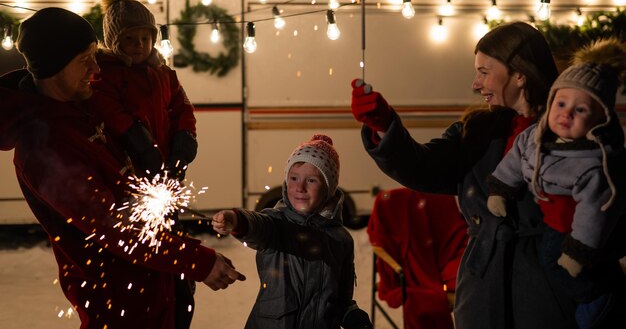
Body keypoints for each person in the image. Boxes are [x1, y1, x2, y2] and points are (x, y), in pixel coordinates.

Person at [350, 21, 612, 329]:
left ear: (519, 73)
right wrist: (384, 124)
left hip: (554, 292)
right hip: (484, 288)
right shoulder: (476, 131)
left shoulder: (580, 132)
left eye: (484, 72)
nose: (476, 84)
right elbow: (423, 167)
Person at [0, 7, 245, 329]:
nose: (96, 67)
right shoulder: (44, 148)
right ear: (54, 67)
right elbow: (112, 227)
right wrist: (195, 260)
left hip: (153, 283)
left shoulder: (80, 107)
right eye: (84, 59)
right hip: (119, 305)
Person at [486, 38, 626, 329]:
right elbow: (515, 161)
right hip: (550, 222)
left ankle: (601, 298)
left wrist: (579, 250)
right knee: (550, 263)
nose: (566, 113)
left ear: (600, 120)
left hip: (577, 230)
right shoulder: (535, 136)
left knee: (565, 267)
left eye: (581, 110)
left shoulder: (594, 162)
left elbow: (594, 212)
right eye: (561, 104)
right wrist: (501, 190)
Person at [212, 134, 373, 329]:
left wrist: (352, 315)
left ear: (329, 188)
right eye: (294, 178)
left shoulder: (341, 240)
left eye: (312, 180)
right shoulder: (277, 224)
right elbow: (257, 225)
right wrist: (237, 219)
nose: (300, 187)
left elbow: (340, 300)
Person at [89, 0, 197, 181]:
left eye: (145, 38)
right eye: (130, 38)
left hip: (165, 162)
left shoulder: (164, 74)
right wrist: (138, 141)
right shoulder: (106, 74)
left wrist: (184, 140)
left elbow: (182, 108)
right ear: (115, 41)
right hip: (129, 164)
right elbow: (110, 111)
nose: (139, 44)